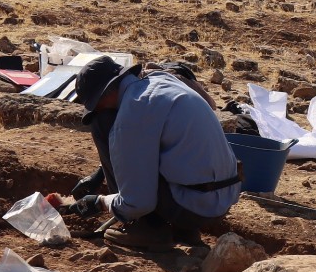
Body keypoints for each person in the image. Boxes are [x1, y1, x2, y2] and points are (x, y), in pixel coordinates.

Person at [66, 56, 240, 250]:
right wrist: (100, 173)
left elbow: (137, 202)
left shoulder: (131, 116)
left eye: (95, 105)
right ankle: (184, 230)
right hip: (221, 198)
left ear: (103, 95)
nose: (98, 108)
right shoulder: (161, 80)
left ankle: (145, 228)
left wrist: (100, 202)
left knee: (101, 122)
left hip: (194, 208)